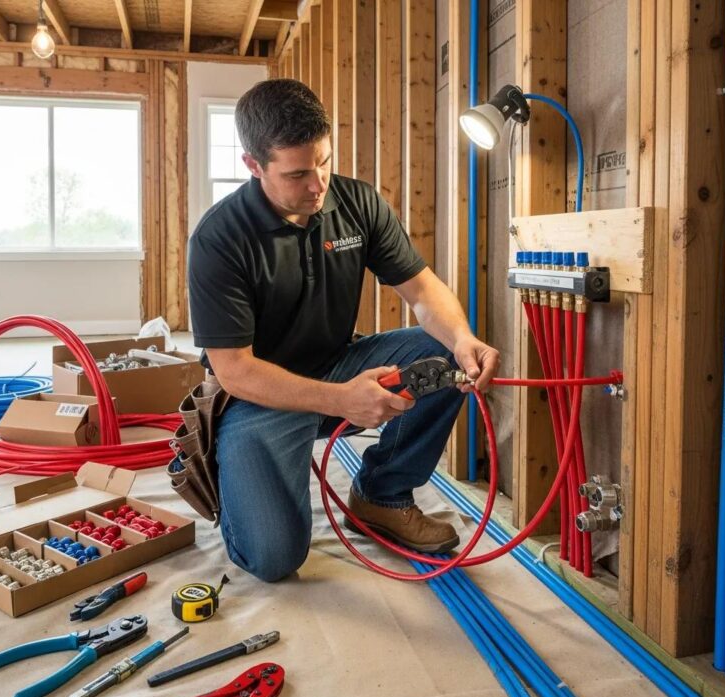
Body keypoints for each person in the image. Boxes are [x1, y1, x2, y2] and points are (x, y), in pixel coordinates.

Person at [188, 79, 500, 582]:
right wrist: (339, 401)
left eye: (325, 161)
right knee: (274, 558)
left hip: (338, 363)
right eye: (297, 174)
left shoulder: (355, 204)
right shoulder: (219, 239)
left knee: (442, 356)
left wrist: (463, 339)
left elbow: (422, 292)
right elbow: (235, 371)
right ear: (252, 166)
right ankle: (239, 473)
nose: (318, 185)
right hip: (257, 398)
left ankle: (382, 493)